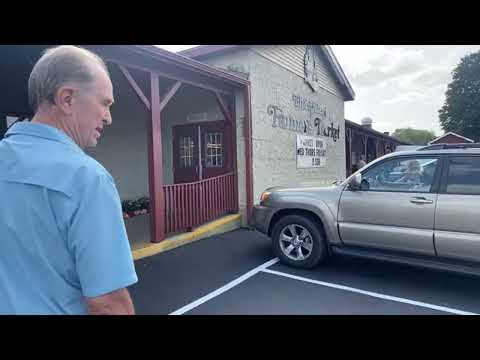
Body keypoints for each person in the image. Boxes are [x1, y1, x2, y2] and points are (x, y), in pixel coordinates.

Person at [0, 46, 138, 315]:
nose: (108, 117)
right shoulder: (87, 179)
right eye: (104, 103)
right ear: (66, 99)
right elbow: (107, 304)